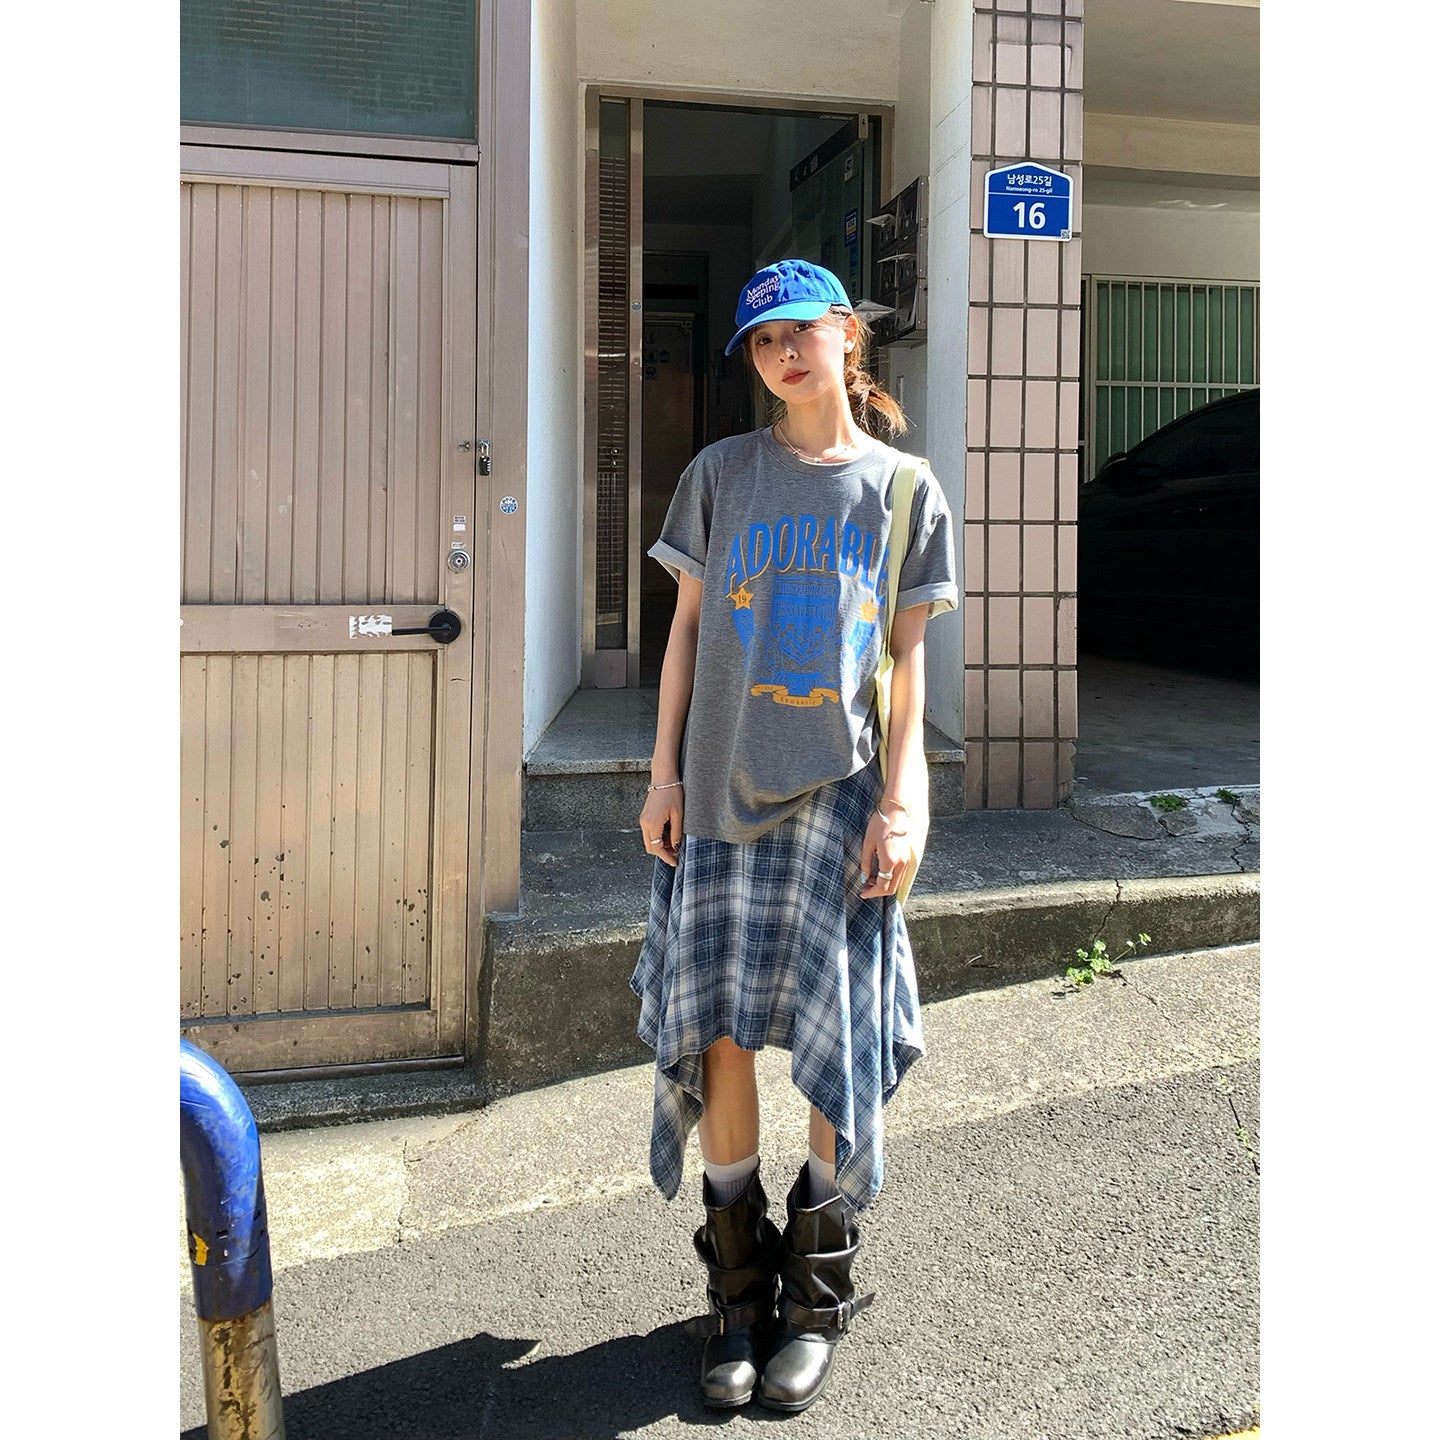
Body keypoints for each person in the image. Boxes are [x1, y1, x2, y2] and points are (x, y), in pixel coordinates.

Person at [630, 258, 958, 1413]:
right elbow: (684, 632)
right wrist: (662, 774)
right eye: (762, 340)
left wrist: (903, 802)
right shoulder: (720, 475)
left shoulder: (904, 490)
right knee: (720, 1031)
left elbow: (908, 664)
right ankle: (736, 1298)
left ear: (847, 338)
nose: (782, 354)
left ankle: (815, 1300)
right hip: (721, 791)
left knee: (834, 1040)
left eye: (800, 332)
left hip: (840, 800)